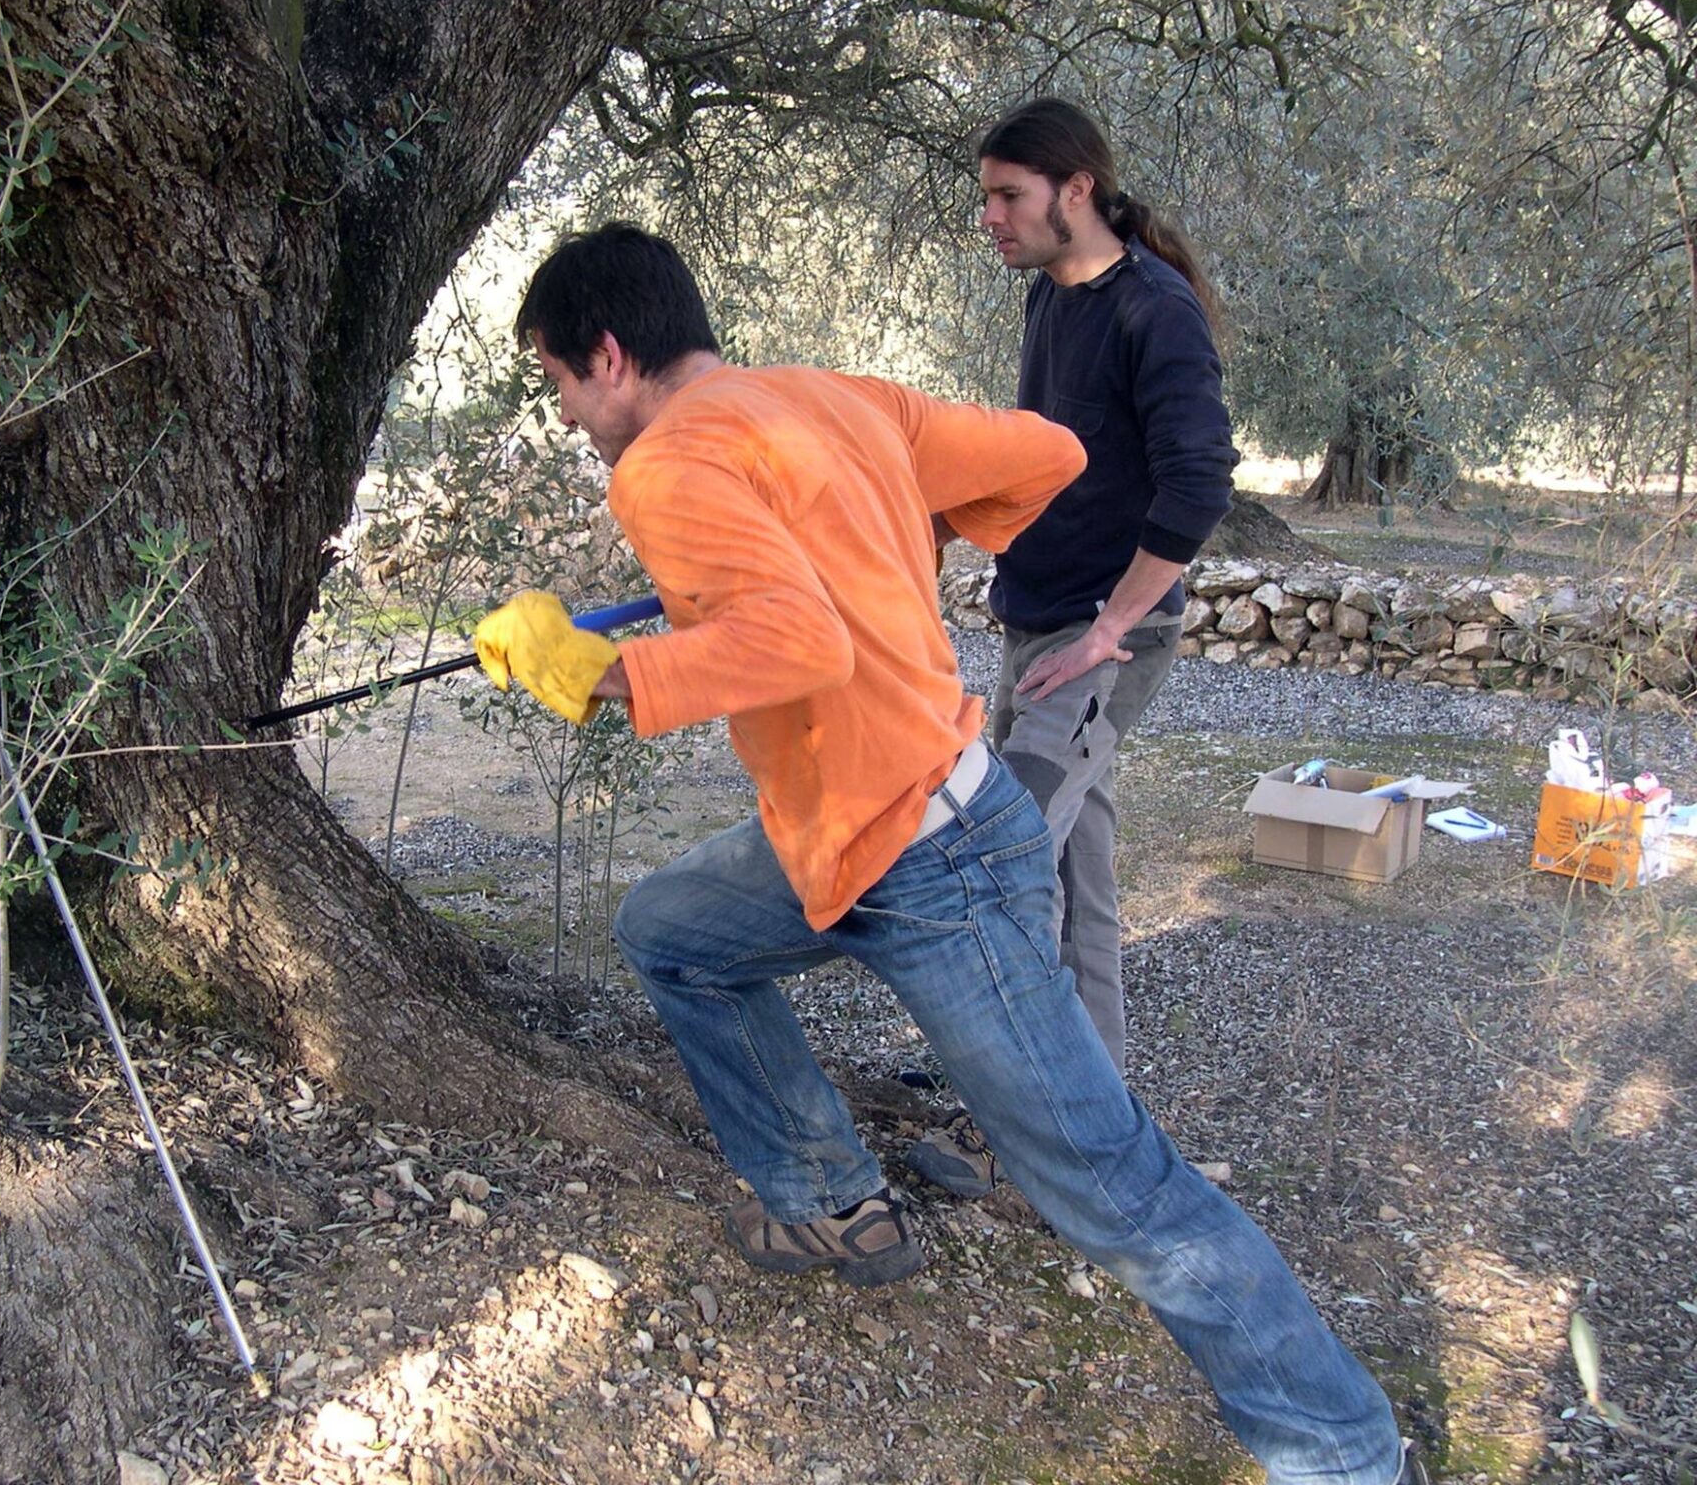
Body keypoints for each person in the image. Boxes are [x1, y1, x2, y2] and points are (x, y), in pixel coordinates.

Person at [475, 222, 1422, 1485]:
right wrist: (899, 523)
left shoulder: (662, 465)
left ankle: (1349, 1456)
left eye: (556, 381)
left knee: (1113, 1191)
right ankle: (829, 1200)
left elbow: (797, 645)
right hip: (845, 834)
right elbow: (1048, 455)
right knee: (672, 933)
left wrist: (594, 670)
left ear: (605, 354)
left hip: (936, 864)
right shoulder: (834, 402)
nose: (564, 412)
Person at [909, 97, 1239, 1199]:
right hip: (1036, 621)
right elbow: (1034, 459)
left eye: (1008, 195)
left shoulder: (1156, 311)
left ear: (1076, 189)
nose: (990, 217)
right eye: (986, 197)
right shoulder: (1050, 297)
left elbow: (1198, 486)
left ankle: (1011, 1122)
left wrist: (1107, 631)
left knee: (997, 857)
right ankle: (1097, 1120)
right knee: (1072, 866)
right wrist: (937, 520)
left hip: (1104, 640)